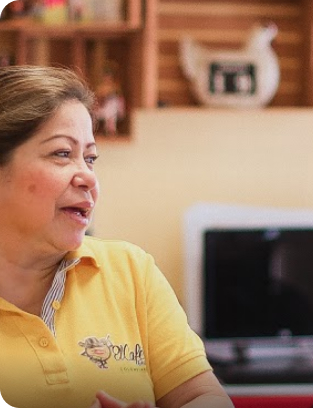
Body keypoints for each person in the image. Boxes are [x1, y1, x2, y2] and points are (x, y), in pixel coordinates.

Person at [0, 65, 234, 408]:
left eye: (90, 158)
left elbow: (205, 397)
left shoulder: (131, 271)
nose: (88, 177)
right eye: (62, 153)